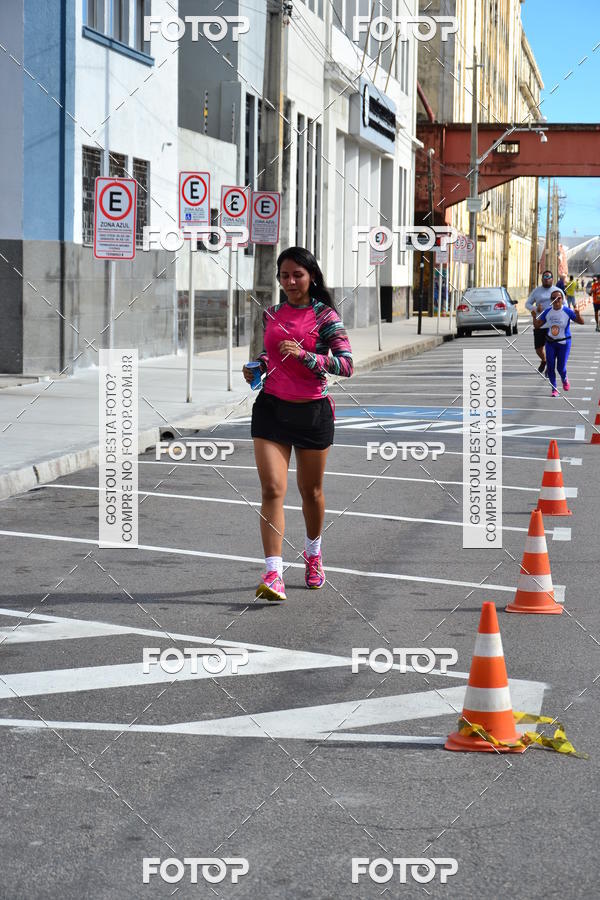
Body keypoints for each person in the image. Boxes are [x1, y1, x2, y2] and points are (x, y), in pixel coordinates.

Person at [242, 247, 353, 602]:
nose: (290, 281)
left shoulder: (325, 316)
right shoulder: (272, 314)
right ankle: (273, 573)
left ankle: (313, 554)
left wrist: (307, 356)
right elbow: (271, 354)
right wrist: (258, 366)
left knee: (311, 492)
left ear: (311, 277)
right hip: (271, 409)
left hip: (312, 413)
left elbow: (347, 365)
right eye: (285, 276)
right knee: (272, 489)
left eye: (297, 275)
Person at [534, 288, 584, 396]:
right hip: (550, 343)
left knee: (561, 368)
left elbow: (581, 322)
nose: (556, 300)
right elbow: (537, 325)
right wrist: (534, 316)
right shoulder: (547, 312)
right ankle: (554, 389)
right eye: (553, 298)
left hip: (564, 343)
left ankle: (564, 379)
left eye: (558, 298)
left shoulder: (567, 311)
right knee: (550, 367)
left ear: (562, 299)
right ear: (551, 300)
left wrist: (578, 315)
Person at [525, 270, 555, 373]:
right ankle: (544, 360)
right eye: (544, 278)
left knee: (550, 348)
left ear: (552, 279)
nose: (546, 280)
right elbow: (527, 304)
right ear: (541, 279)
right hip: (539, 323)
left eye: (548, 278)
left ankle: (549, 367)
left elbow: (564, 305)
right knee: (538, 349)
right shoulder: (536, 291)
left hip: (552, 324)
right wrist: (535, 308)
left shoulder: (556, 291)